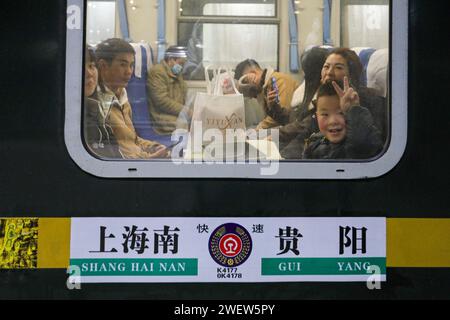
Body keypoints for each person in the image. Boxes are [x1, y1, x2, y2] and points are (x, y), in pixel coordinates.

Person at [281, 48, 387, 159]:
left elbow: (366, 148)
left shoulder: (371, 102)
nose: (329, 72)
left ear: (352, 75)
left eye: (338, 67)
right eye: (326, 67)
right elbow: (303, 134)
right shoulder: (324, 101)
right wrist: (285, 159)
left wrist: (354, 110)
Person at [95, 38, 168, 159]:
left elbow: (131, 139)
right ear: (103, 66)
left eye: (131, 65)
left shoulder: (122, 96)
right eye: (123, 65)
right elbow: (119, 153)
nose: (129, 71)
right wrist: (149, 158)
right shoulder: (99, 105)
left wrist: (153, 146)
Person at [302, 79, 383, 160]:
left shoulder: (365, 136)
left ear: (352, 115)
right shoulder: (314, 146)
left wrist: (354, 109)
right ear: (317, 116)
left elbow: (359, 147)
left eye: (341, 113)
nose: (333, 121)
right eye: (325, 114)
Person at [234, 59, 299, 129]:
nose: (252, 96)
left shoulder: (278, 80)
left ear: (253, 74)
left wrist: (258, 129)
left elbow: (280, 117)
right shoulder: (264, 88)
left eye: (247, 82)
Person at [83, 46, 122, 159]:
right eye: (81, 67)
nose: (89, 73)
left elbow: (113, 150)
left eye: (91, 66)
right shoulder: (78, 115)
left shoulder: (94, 106)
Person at [147, 46, 188, 136]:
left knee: (196, 122)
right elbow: (161, 101)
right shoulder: (158, 72)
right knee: (188, 126)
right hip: (162, 117)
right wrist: (185, 111)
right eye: (180, 63)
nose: (181, 67)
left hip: (175, 114)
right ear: (170, 60)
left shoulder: (176, 72)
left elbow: (182, 94)